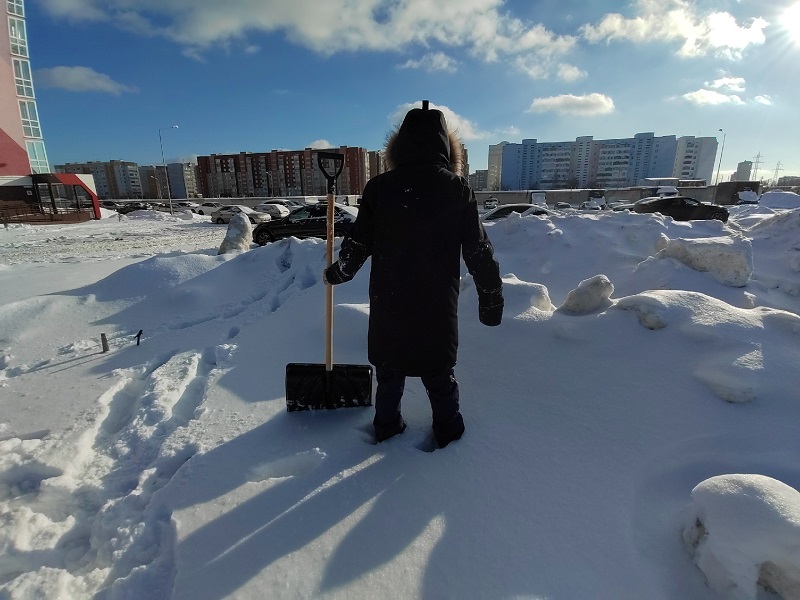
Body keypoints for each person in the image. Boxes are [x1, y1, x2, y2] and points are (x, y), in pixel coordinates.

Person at [323, 101, 503, 448]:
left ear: (399, 145)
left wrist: (337, 273)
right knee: (438, 375)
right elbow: (479, 250)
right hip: (435, 304)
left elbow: (358, 244)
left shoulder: (379, 188)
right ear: (446, 149)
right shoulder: (457, 190)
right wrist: (491, 300)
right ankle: (449, 434)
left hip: (390, 302)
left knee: (389, 374)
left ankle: (387, 428)